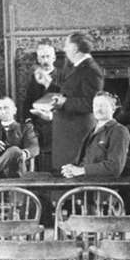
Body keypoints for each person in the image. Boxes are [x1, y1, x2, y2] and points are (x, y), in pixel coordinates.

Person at [42, 33, 104, 168]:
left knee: (75, 176)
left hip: (77, 133)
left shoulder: (91, 70)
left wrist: (64, 102)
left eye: (66, 45)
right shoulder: (76, 66)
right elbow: (70, 90)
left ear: (75, 48)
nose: (64, 49)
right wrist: (48, 83)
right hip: (68, 132)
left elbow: (92, 103)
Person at [60, 93, 130, 178]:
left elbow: (114, 167)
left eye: (103, 105)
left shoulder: (119, 131)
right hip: (85, 183)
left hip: (102, 187)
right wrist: (71, 169)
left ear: (113, 109)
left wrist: (81, 170)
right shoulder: (92, 132)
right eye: (95, 105)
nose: (98, 109)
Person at [22, 44, 60, 168]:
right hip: (37, 125)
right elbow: (28, 101)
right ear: (38, 59)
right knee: (38, 157)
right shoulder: (34, 78)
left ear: (53, 58)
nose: (45, 60)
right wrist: (28, 120)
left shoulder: (62, 76)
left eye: (48, 56)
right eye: (42, 57)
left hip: (56, 123)